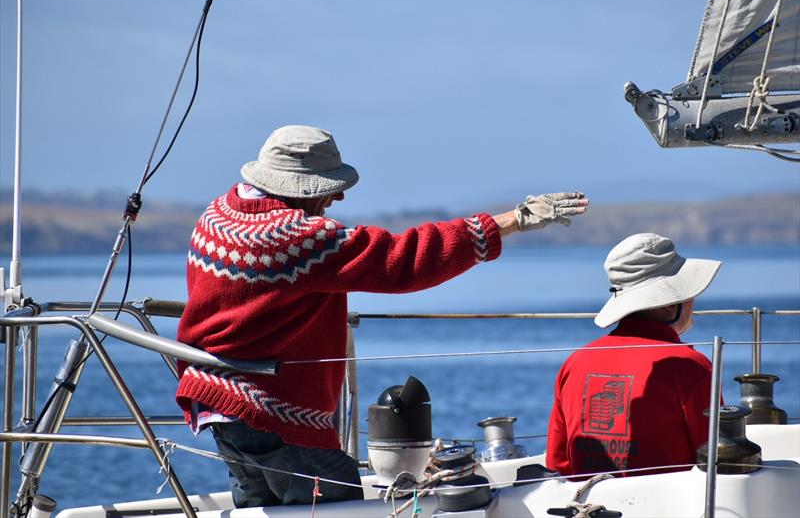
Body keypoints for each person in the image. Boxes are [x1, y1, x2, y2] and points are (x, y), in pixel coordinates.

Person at [175, 124, 589, 508]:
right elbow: (402, 259)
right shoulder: (295, 238)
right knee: (341, 508)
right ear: (299, 188)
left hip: (217, 402)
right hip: (268, 408)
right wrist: (511, 221)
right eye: (329, 188)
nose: (337, 199)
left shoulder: (219, 214)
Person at [546, 233, 721, 477]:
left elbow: (558, 464)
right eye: (689, 293)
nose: (694, 302)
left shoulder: (576, 362)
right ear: (670, 305)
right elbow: (717, 459)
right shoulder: (690, 366)